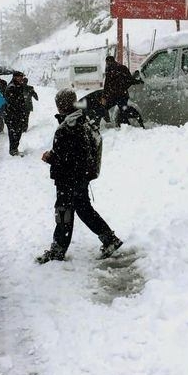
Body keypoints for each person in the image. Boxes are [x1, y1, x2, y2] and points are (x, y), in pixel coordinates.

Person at [36, 88, 123, 264]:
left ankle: (58, 249)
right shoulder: (81, 119)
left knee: (64, 212)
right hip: (79, 177)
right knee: (83, 210)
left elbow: (67, 156)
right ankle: (109, 239)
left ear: (62, 105)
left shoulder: (69, 127)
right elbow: (75, 151)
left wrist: (50, 157)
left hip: (69, 179)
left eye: (59, 103)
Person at [102, 55, 141, 125]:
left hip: (114, 95)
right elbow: (130, 80)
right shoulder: (123, 68)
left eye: (107, 62)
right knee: (124, 110)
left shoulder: (110, 70)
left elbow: (107, 85)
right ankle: (134, 118)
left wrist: (104, 96)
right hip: (123, 94)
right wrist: (137, 81)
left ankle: (114, 123)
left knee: (107, 108)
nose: (107, 64)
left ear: (108, 62)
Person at [3, 71, 31, 156]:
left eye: (22, 77)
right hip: (12, 116)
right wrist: (20, 111)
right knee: (13, 133)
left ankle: (15, 149)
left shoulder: (18, 86)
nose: (22, 78)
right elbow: (13, 103)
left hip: (18, 115)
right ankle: (13, 150)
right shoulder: (11, 87)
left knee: (18, 133)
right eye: (20, 77)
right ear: (15, 77)